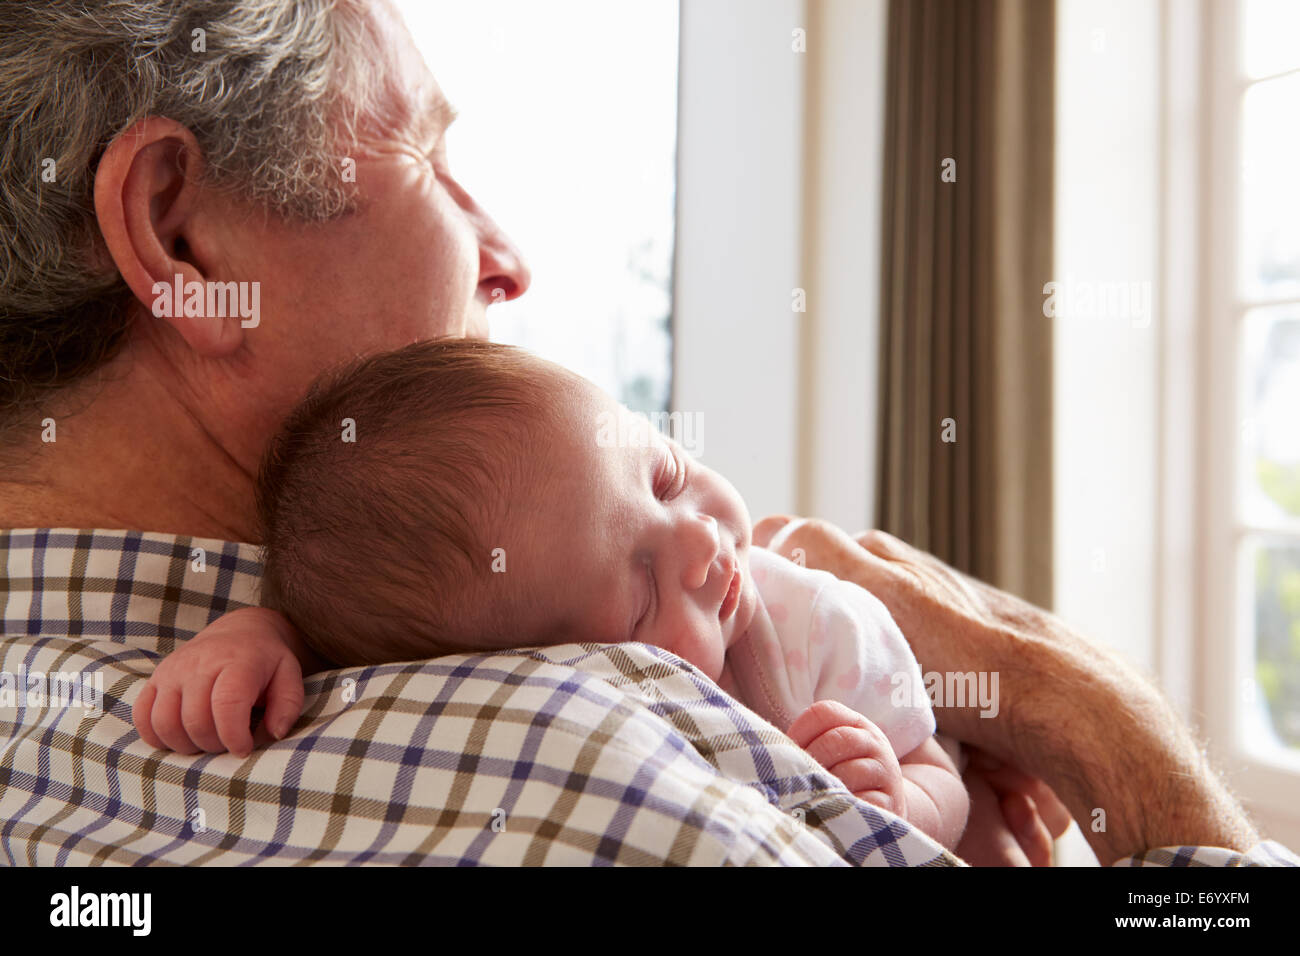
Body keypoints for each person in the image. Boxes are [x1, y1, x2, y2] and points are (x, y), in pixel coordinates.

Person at [0, 0, 1289, 867]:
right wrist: (1084, 706)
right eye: (429, 162)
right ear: (180, 234)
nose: (507, 258)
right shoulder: (581, 760)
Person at [132, 340, 973, 850]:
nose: (701, 540)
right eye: (642, 591)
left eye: (666, 473)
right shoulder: (503, 680)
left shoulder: (818, 626)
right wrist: (258, 635)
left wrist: (906, 802)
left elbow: (942, 770)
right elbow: (369, 649)